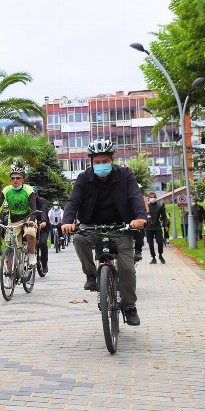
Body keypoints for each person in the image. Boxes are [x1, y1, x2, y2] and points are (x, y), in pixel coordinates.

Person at [61, 138, 147, 326]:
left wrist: (140, 217)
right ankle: (92, 276)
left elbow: (135, 197)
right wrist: (67, 221)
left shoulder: (125, 175)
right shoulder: (84, 178)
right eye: (97, 162)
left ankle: (130, 307)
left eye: (105, 161)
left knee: (127, 268)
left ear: (112, 160)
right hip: (92, 227)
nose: (101, 165)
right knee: (78, 239)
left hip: (121, 227)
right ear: (91, 162)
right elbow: (73, 201)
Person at [0, 164, 38, 266]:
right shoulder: (6, 190)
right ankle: (9, 274)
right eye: (13, 178)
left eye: (18, 178)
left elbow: (33, 207)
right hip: (13, 220)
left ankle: (32, 254)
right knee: (10, 246)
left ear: (22, 179)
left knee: (30, 232)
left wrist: (32, 220)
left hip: (27, 219)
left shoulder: (28, 190)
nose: (15, 180)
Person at [145, 192, 168, 264]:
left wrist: (165, 225)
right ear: (149, 198)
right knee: (150, 244)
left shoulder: (160, 206)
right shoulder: (146, 206)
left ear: (156, 198)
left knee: (160, 242)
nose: (152, 199)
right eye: (150, 197)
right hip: (148, 228)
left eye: (153, 197)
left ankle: (160, 255)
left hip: (157, 227)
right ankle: (153, 258)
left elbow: (164, 217)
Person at [34, 188, 50, 274]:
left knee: (42, 243)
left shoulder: (42, 201)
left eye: (34, 194)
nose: (33, 196)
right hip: (31, 225)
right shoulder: (27, 201)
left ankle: (44, 264)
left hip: (42, 225)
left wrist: (43, 221)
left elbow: (44, 211)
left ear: (37, 194)